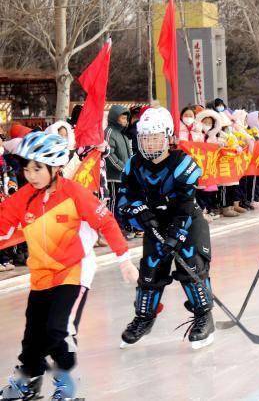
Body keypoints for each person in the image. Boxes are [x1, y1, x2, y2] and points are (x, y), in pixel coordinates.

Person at [0, 132, 137, 401]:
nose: (31, 175)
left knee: (58, 329)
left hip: (73, 271)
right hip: (41, 275)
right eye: (27, 168)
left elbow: (106, 223)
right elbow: (2, 225)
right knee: (32, 334)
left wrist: (125, 260)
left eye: (37, 168)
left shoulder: (74, 194)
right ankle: (29, 380)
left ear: (55, 167)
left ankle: (68, 383)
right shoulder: (24, 197)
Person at [117, 107, 216, 350]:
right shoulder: (133, 165)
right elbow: (123, 201)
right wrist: (140, 213)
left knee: (191, 266)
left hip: (186, 222)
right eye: (145, 138)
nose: (150, 144)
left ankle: (204, 317)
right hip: (155, 225)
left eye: (155, 138)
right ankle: (144, 318)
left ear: (168, 137)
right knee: (150, 271)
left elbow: (186, 204)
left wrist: (176, 234)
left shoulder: (183, 163)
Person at [105, 105, 132, 216]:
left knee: (120, 203)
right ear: (114, 117)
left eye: (126, 118)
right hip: (112, 177)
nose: (125, 121)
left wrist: (130, 168)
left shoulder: (123, 134)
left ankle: (118, 227)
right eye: (122, 118)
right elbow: (108, 154)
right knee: (112, 202)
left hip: (122, 176)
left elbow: (129, 155)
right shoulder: (109, 132)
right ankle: (109, 226)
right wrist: (123, 167)